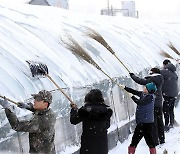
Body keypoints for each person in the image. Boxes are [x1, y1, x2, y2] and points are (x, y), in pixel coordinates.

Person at [70, 89, 113, 154]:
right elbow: (107, 125)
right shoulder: (105, 110)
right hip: (102, 146)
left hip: (88, 146)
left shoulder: (85, 110)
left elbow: (73, 120)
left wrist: (74, 110)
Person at [129, 67, 165, 145]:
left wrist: (133, 76)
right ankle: (162, 138)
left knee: (154, 123)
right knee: (160, 121)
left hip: (152, 103)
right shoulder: (160, 78)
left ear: (153, 73)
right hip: (159, 103)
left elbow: (141, 81)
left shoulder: (152, 80)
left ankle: (155, 141)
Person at [124, 82, 157, 154]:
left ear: (148, 90)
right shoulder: (144, 94)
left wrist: (132, 96)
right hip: (142, 121)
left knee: (147, 139)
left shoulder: (150, 97)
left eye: (146, 87)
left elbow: (139, 102)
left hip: (146, 122)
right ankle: (132, 150)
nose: (144, 88)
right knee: (138, 138)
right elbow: (135, 92)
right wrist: (125, 88)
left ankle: (132, 151)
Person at [160, 59, 178, 131]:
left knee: (165, 109)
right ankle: (172, 123)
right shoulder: (174, 72)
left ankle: (166, 125)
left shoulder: (163, 72)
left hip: (167, 94)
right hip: (174, 94)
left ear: (165, 65)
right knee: (171, 109)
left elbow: (156, 75)